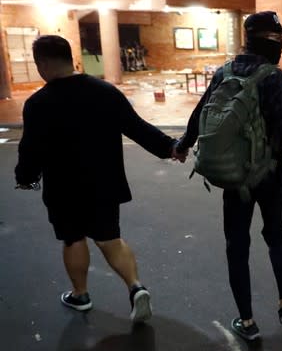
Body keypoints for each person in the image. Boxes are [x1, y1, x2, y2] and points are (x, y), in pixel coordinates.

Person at [175, 11, 282, 341]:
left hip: (236, 178)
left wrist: (183, 144)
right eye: (278, 38)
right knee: (277, 237)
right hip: (272, 175)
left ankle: (247, 322)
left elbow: (201, 113)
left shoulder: (225, 72)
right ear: (267, 41)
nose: (281, 45)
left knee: (237, 244)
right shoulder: (274, 78)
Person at [14, 35, 181, 323]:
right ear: (72, 58)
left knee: (73, 239)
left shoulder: (38, 103)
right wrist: (170, 148)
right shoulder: (105, 91)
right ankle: (136, 287)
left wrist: (26, 176)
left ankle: (80, 295)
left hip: (63, 189)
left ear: (41, 64)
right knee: (110, 239)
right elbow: (136, 127)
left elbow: (31, 148)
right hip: (104, 183)